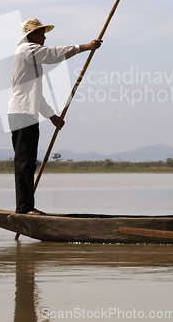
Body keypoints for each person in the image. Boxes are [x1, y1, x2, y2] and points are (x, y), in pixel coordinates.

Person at [8, 17, 102, 215]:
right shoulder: (26, 50)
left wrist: (52, 116)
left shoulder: (33, 58)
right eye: (41, 33)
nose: (44, 37)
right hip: (21, 114)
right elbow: (53, 55)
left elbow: (36, 96)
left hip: (28, 113)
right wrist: (85, 47)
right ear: (32, 34)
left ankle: (26, 207)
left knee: (29, 162)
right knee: (24, 162)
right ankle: (24, 209)